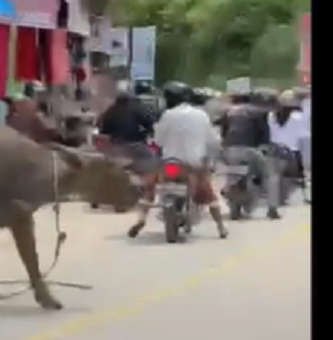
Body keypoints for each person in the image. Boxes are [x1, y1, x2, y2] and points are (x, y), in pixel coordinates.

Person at [128, 81, 229, 239]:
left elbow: (158, 140)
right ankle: (221, 227)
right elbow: (213, 140)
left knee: (150, 187)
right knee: (208, 192)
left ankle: (141, 219)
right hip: (193, 166)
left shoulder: (167, 115)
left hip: (172, 166)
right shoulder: (201, 115)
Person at [220, 90, 282, 219]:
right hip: (249, 150)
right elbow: (264, 136)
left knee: (230, 175)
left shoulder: (228, 112)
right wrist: (266, 147)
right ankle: (272, 208)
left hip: (229, 151)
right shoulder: (257, 112)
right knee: (271, 176)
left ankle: (233, 204)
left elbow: (223, 133)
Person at [97, 87, 158, 209]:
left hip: (115, 147)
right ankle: (149, 196)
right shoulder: (137, 108)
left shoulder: (110, 111)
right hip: (135, 146)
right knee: (152, 164)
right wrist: (146, 133)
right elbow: (149, 122)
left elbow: (103, 130)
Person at [268, 90, 310, 201]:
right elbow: (304, 133)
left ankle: (276, 196)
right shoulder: (298, 117)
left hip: (274, 150)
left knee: (275, 175)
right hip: (292, 152)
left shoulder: (271, 115)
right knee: (297, 176)